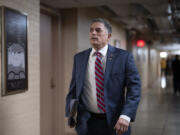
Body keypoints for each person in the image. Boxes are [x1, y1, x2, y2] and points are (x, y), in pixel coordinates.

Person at [65, 18, 141, 135]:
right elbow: (74, 89)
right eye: (91, 30)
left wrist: (126, 114)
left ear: (109, 36)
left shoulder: (123, 57)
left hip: (116, 121)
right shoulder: (79, 58)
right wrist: (70, 114)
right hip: (87, 121)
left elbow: (134, 88)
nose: (93, 33)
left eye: (98, 30)